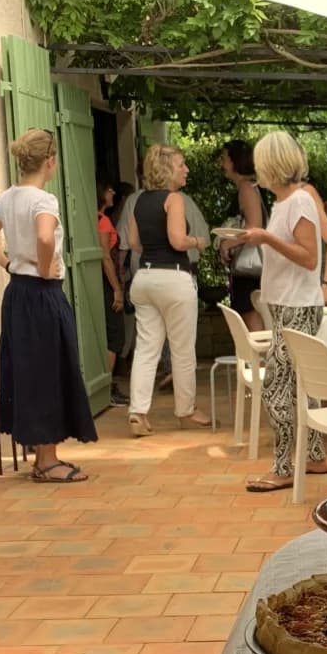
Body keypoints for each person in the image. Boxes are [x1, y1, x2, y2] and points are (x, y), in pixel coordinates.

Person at [0, 128, 98, 483]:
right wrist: (45, 268)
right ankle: (47, 461)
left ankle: (42, 456)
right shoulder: (44, 201)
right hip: (42, 294)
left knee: (30, 369)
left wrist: (9, 263)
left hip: (17, 293)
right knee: (49, 368)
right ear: (50, 162)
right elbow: (45, 236)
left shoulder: (7, 198)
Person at [237, 130, 327, 492]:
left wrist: (265, 238)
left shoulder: (299, 202)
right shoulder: (284, 203)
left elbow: (310, 258)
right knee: (299, 386)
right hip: (287, 305)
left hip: (297, 306)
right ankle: (314, 457)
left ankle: (282, 467)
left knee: (276, 387)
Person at [127, 143, 211, 435]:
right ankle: (186, 412)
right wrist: (197, 242)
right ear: (166, 170)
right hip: (174, 280)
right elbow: (177, 241)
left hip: (145, 279)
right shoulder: (173, 199)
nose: (186, 169)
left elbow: (135, 244)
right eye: (181, 165)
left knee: (146, 349)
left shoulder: (139, 201)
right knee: (182, 350)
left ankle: (138, 412)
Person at [216, 140, 266, 332]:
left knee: (248, 312)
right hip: (250, 267)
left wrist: (227, 244)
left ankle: (259, 359)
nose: (222, 164)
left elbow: (254, 226)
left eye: (225, 159)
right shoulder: (250, 186)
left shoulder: (246, 188)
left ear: (235, 161)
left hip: (249, 267)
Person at [96, 184, 128, 408]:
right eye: (109, 189)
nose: (113, 192)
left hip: (96, 284)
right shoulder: (104, 221)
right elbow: (105, 257)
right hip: (107, 284)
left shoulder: (92, 219)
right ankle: (107, 389)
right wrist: (116, 288)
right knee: (115, 336)